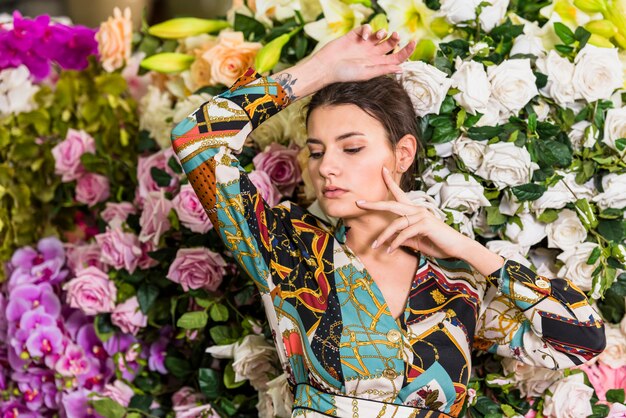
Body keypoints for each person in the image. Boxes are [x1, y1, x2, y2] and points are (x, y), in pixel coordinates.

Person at [171, 25, 606, 417]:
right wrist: (321, 68)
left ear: (403, 154)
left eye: (352, 148)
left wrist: (463, 248)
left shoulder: (458, 283)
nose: (326, 168)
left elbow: (581, 339)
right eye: (318, 151)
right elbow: (197, 140)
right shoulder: (288, 252)